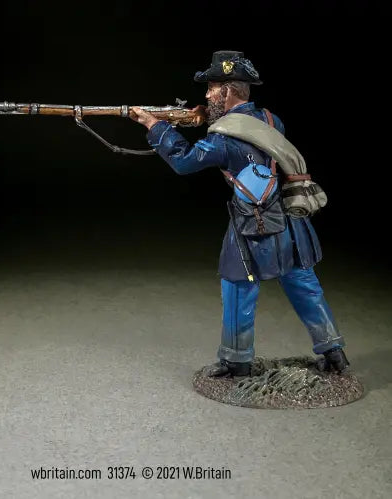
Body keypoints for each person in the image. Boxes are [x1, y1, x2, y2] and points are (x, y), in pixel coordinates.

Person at [130, 50, 350, 378]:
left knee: (237, 287)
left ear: (228, 91)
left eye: (212, 89)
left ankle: (237, 361)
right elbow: (247, 133)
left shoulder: (222, 138)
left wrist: (156, 126)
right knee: (304, 284)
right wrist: (207, 117)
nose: (207, 95)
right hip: (290, 220)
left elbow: (185, 161)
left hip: (253, 224)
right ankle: (334, 352)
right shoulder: (272, 120)